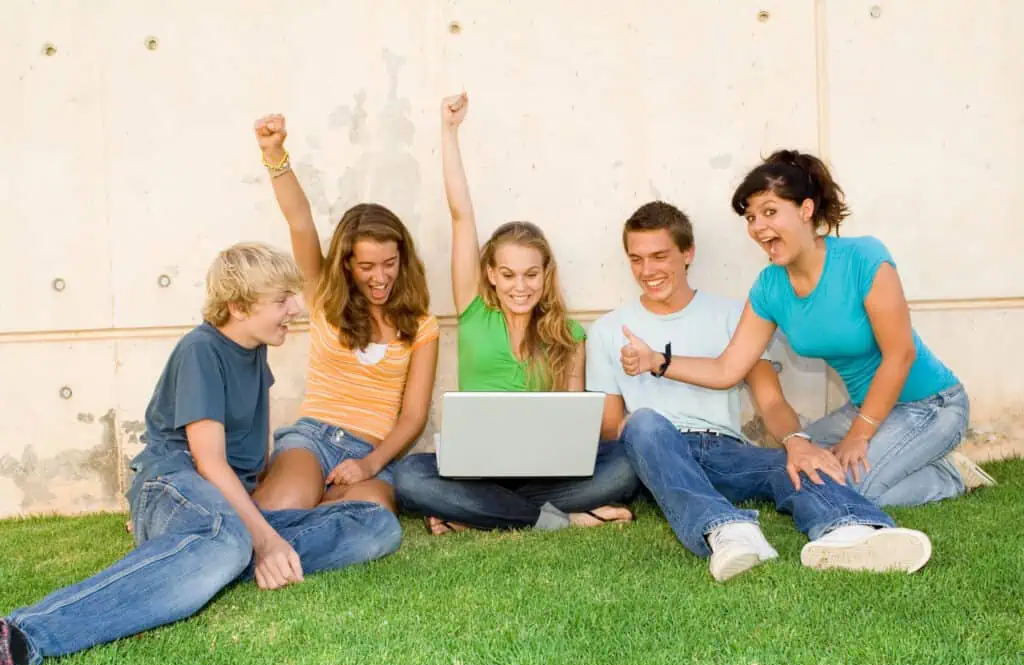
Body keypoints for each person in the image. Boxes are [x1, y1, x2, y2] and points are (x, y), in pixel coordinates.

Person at [0, 244, 402, 665]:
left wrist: (263, 530)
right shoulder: (201, 350)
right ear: (238, 307)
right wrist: (265, 540)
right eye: (282, 299)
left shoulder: (255, 349)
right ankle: (23, 635)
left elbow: (252, 460)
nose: (297, 308)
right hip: (177, 481)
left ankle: (199, 557)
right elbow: (208, 463)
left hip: (223, 504)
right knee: (228, 540)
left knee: (376, 524)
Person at [624, 150, 993, 507]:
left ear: (806, 209)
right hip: (865, 407)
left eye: (770, 212)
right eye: (751, 217)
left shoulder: (863, 258)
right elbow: (727, 369)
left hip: (930, 405)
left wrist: (859, 436)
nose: (758, 227)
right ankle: (908, 461)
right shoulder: (770, 287)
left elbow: (900, 355)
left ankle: (948, 478)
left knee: (845, 487)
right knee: (795, 466)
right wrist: (657, 361)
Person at [591, 201, 935, 582]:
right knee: (643, 423)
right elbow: (610, 428)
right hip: (655, 449)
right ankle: (729, 531)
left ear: (687, 254)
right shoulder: (607, 330)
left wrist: (797, 442)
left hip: (722, 450)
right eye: (636, 259)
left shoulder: (734, 315)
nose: (647, 271)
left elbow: (770, 400)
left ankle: (853, 530)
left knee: (794, 464)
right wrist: (637, 437)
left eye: (659, 256)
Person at [393, 93, 638, 534]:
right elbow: (460, 215)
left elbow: (573, 425)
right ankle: (555, 518)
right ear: (490, 273)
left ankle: (478, 513)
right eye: (507, 275)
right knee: (410, 476)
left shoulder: (569, 334)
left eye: (530, 274)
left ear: (545, 274)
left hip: (544, 472)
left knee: (625, 464)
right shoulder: (473, 310)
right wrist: (449, 131)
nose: (519, 287)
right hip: (477, 470)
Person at [250, 114, 440, 516]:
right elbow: (300, 222)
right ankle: (262, 507)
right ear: (348, 264)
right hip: (313, 440)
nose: (380, 277)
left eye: (389, 263)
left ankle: (298, 511)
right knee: (286, 505)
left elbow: (413, 416)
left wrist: (369, 465)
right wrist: (275, 155)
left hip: (373, 453)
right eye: (367, 266)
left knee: (369, 516)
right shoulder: (323, 295)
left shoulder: (422, 325)